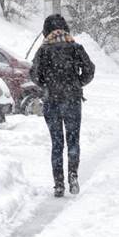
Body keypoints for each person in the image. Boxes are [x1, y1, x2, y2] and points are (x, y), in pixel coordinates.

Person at [30, 14, 95, 198]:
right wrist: (78, 83)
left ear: (46, 31)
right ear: (65, 28)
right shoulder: (75, 47)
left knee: (57, 143)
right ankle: (73, 175)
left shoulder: (43, 50)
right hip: (73, 100)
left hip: (52, 102)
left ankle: (58, 184)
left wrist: (46, 84)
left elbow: (34, 74)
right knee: (73, 140)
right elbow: (90, 69)